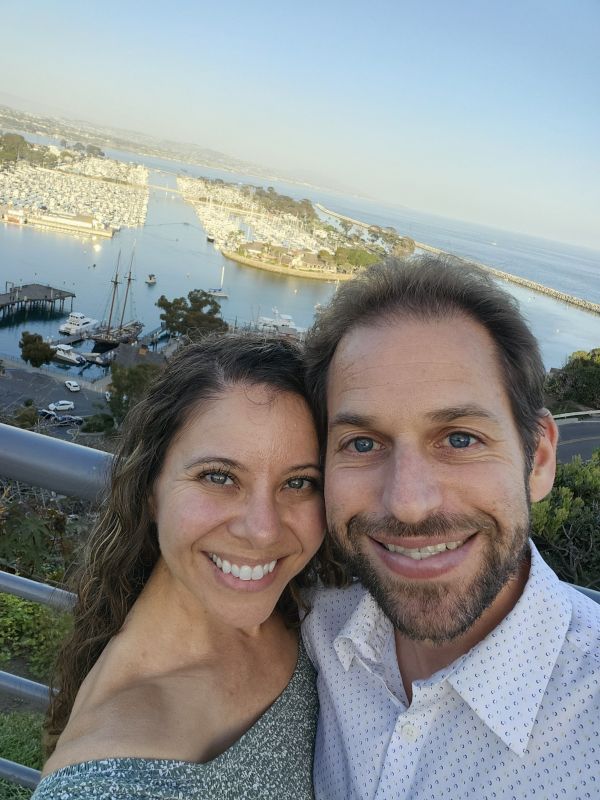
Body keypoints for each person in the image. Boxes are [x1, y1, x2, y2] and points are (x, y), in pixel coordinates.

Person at [302, 256, 600, 800]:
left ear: (538, 459)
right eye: (362, 444)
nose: (409, 505)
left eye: (460, 439)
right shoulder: (316, 626)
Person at [34, 334, 327, 800]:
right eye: (219, 477)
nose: (263, 530)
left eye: (299, 483)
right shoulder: (108, 783)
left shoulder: (307, 605)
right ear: (150, 489)